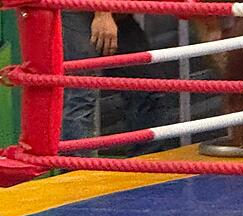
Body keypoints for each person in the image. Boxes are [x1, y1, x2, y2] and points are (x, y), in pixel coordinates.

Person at [61, 11, 169, 157]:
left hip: (113, 10)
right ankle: (75, 172)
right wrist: (103, 13)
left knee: (148, 85)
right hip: (80, 7)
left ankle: (148, 162)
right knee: (81, 91)